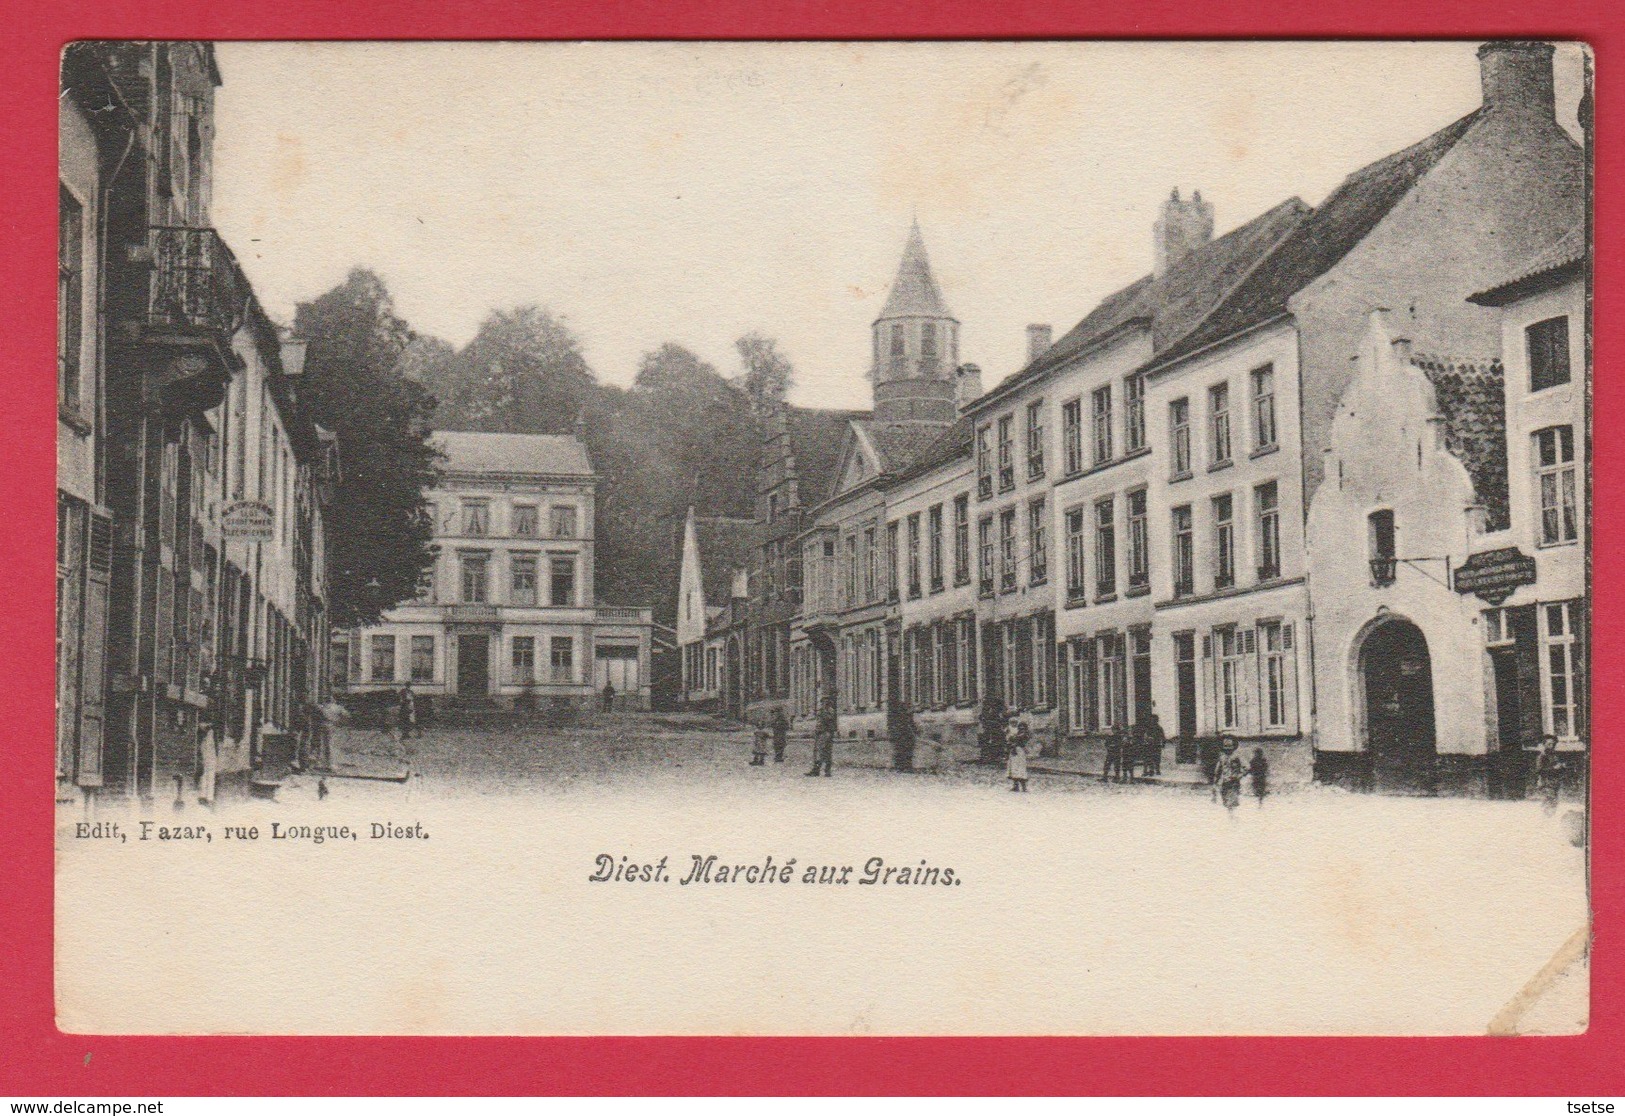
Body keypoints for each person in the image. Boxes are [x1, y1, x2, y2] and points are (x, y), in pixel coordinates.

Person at [806, 695, 836, 777]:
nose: (823, 703)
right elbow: (819, 723)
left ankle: (825, 771)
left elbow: (828, 720)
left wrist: (823, 712)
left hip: (826, 733)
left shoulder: (829, 711)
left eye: (825, 702)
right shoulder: (822, 710)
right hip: (820, 733)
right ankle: (818, 770)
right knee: (819, 752)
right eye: (822, 702)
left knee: (823, 752)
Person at [1215, 736, 1245, 814]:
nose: (1228, 751)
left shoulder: (1237, 757)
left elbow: (1247, 767)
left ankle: (1232, 817)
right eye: (1226, 749)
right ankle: (1231, 816)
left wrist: (1240, 775)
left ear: (1233, 748)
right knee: (1226, 801)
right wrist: (1215, 782)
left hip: (1234, 782)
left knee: (1231, 802)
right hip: (1225, 782)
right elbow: (1218, 771)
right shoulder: (1222, 758)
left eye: (1230, 749)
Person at [1005, 716, 1030, 793]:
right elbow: (1009, 739)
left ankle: (1024, 787)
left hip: (1019, 751)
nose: (1014, 724)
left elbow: (1017, 739)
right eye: (1012, 723)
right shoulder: (1011, 731)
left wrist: (1013, 740)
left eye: (1015, 723)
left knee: (1020, 768)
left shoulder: (1022, 734)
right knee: (1014, 768)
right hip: (1014, 751)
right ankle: (1016, 786)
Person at [1142, 709, 1166, 777]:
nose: (1152, 721)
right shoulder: (1149, 728)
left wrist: (1163, 743)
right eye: (1151, 720)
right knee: (1150, 758)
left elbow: (1163, 736)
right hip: (1149, 745)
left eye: (1154, 720)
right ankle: (1151, 771)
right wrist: (1147, 739)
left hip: (1157, 745)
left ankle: (1157, 770)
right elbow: (1145, 735)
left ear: (1157, 720)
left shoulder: (1159, 728)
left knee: (1157, 758)